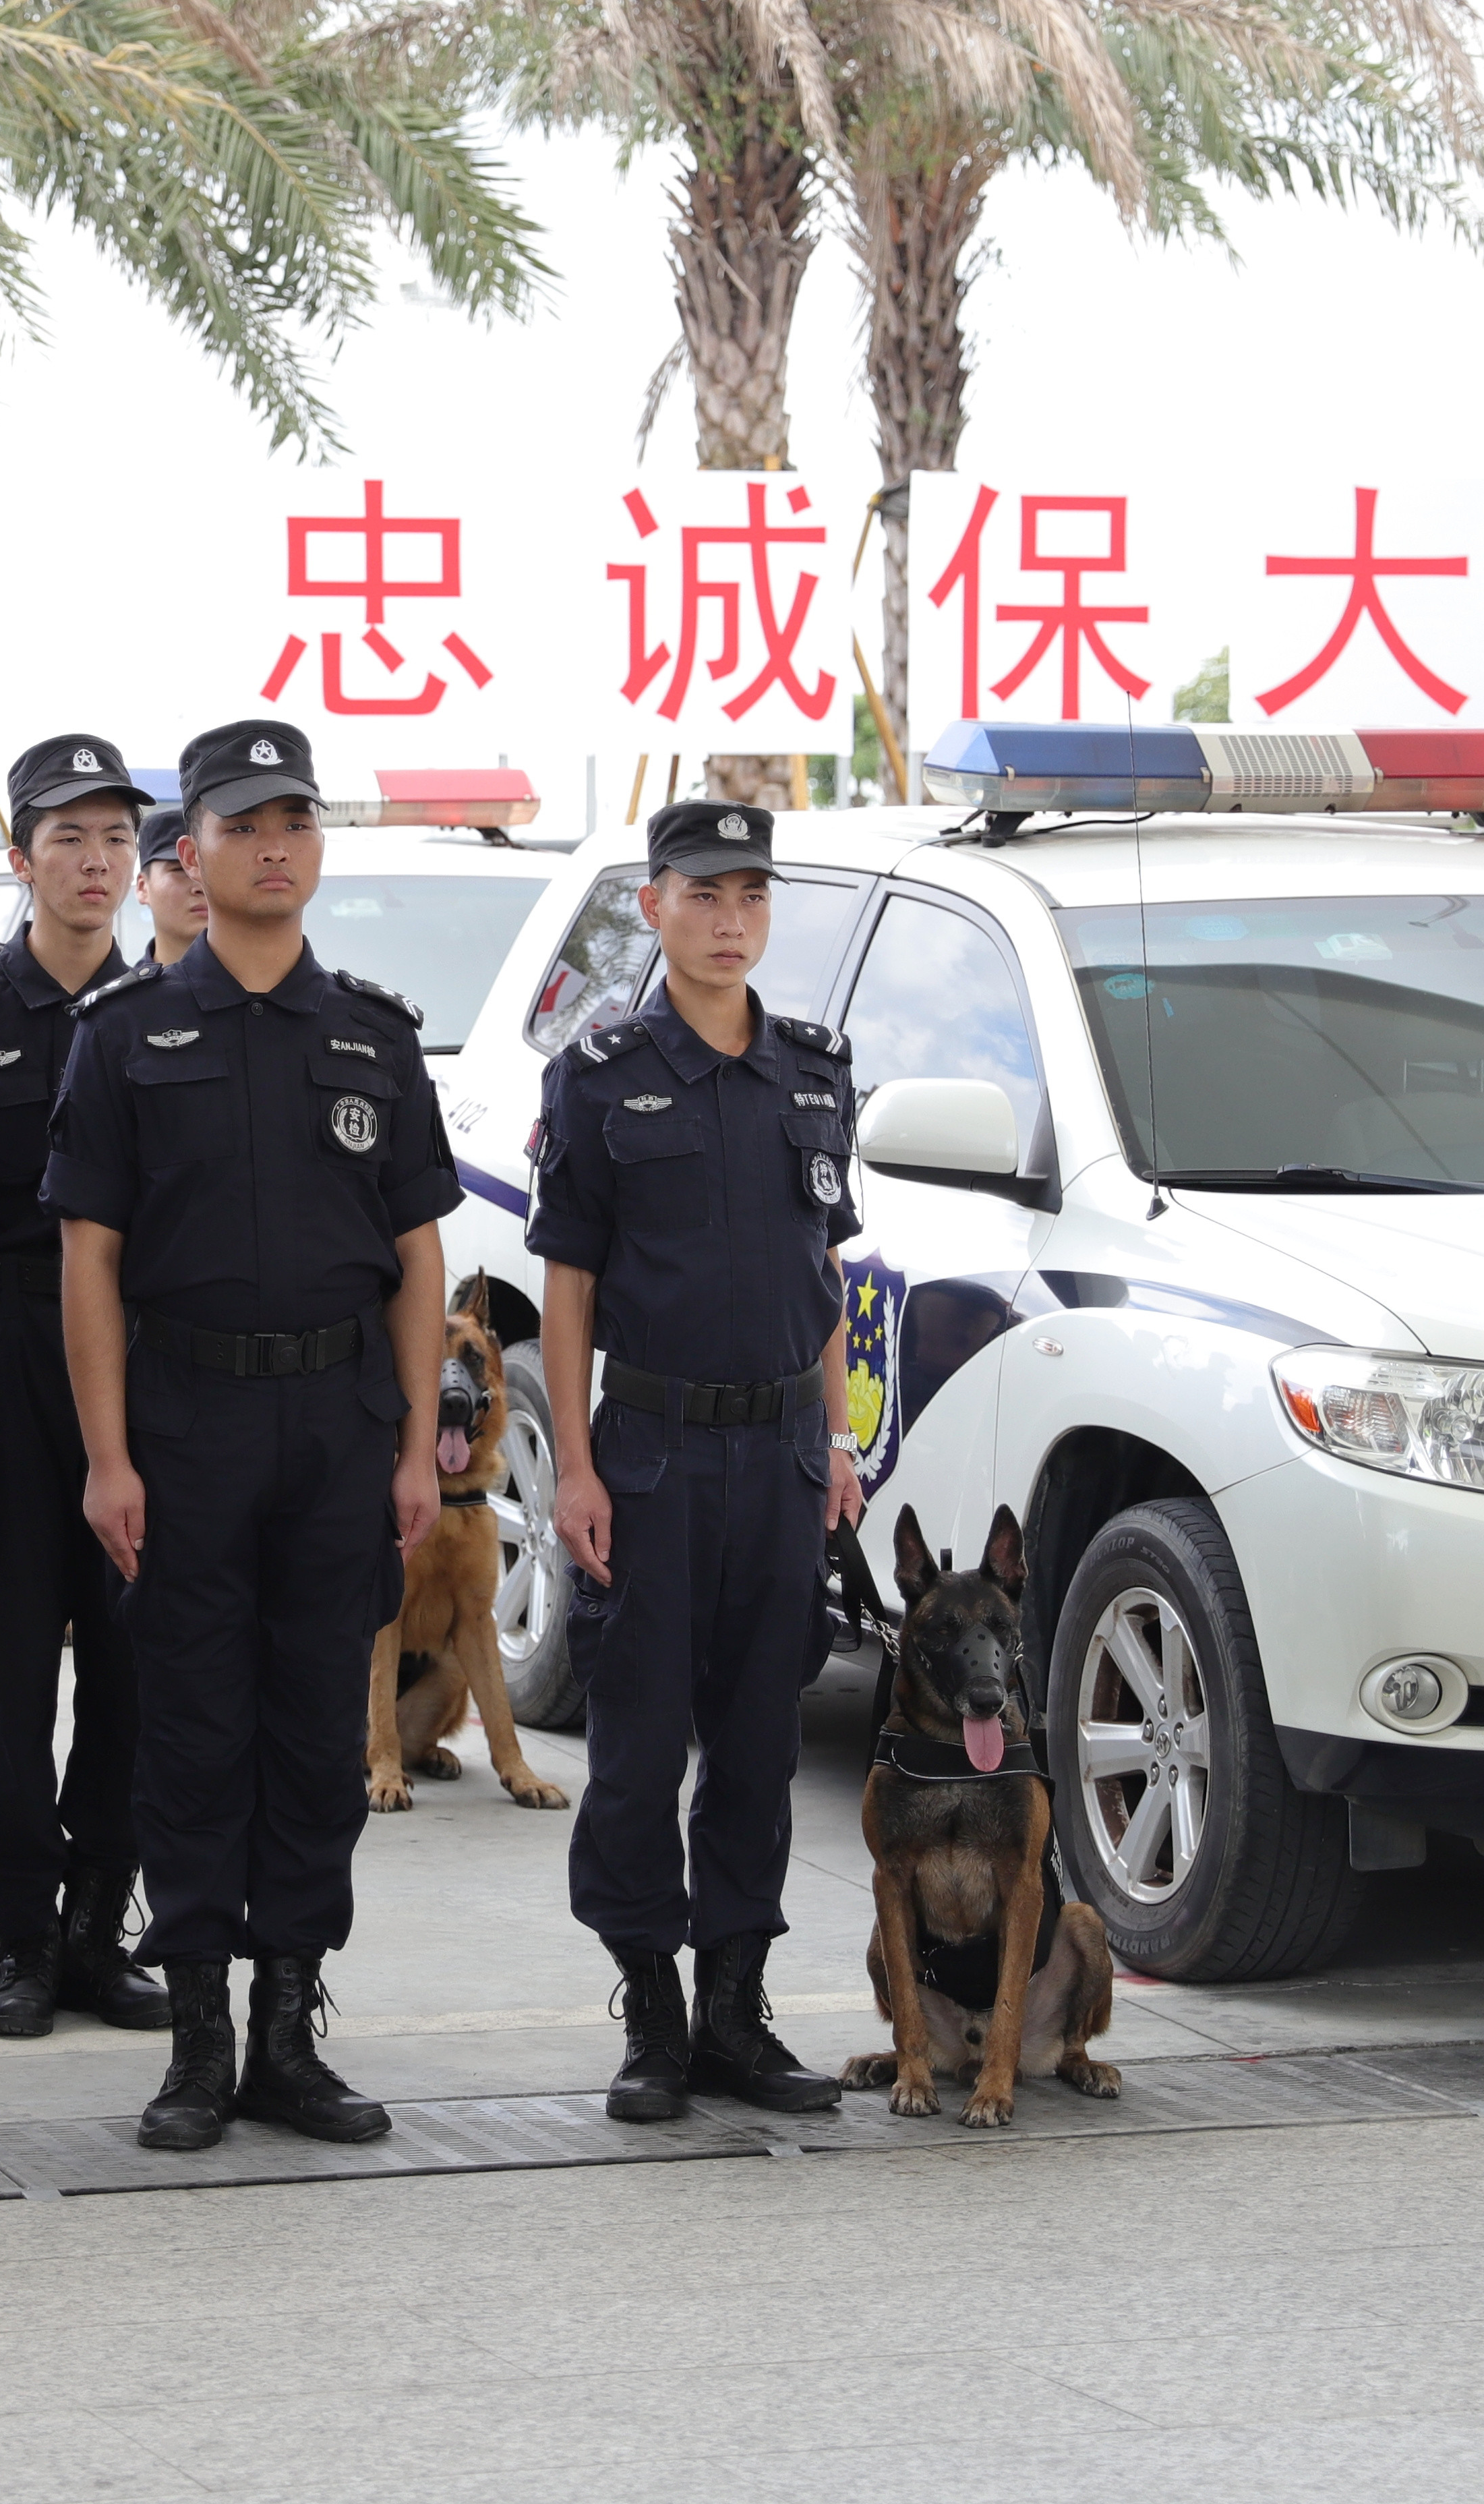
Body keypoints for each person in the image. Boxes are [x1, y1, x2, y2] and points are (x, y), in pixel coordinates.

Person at [43, 718, 452, 2153]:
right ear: (193, 853)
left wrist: (412, 1445)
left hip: (338, 1422)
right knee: (191, 1727)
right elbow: (88, 1256)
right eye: (244, 822)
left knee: (308, 1732)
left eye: (297, 819)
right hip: (188, 1420)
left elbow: (416, 1253)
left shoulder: (375, 1035)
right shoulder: (128, 1034)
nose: (276, 843)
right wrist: (106, 1452)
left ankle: (290, 2026)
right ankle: (199, 2032)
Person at [527, 800, 858, 2121]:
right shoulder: (601, 1071)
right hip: (653, 1457)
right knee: (636, 1746)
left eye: (751, 897)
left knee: (759, 1745)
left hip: (778, 1457)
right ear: (655, 903)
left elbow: (822, 1271)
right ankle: (651, 2009)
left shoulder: (816, 1071)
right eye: (705, 895)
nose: (731, 920)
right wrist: (574, 1469)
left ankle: (736, 2006)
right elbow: (568, 1290)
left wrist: (833, 1438)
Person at [0, 735, 169, 2037]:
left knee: (128, 1661)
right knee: (8, 1660)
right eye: (67, 837)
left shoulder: (165, 1014)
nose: (95, 860)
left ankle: (94, 1923)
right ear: (19, 860)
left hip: (134, 1368)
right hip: (3, 1361)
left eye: (115, 838)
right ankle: (15, 1927)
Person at [136, 805, 206, 966]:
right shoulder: (125, 991)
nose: (201, 886)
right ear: (142, 888)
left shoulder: (266, 987)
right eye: (180, 870)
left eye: (212, 870)